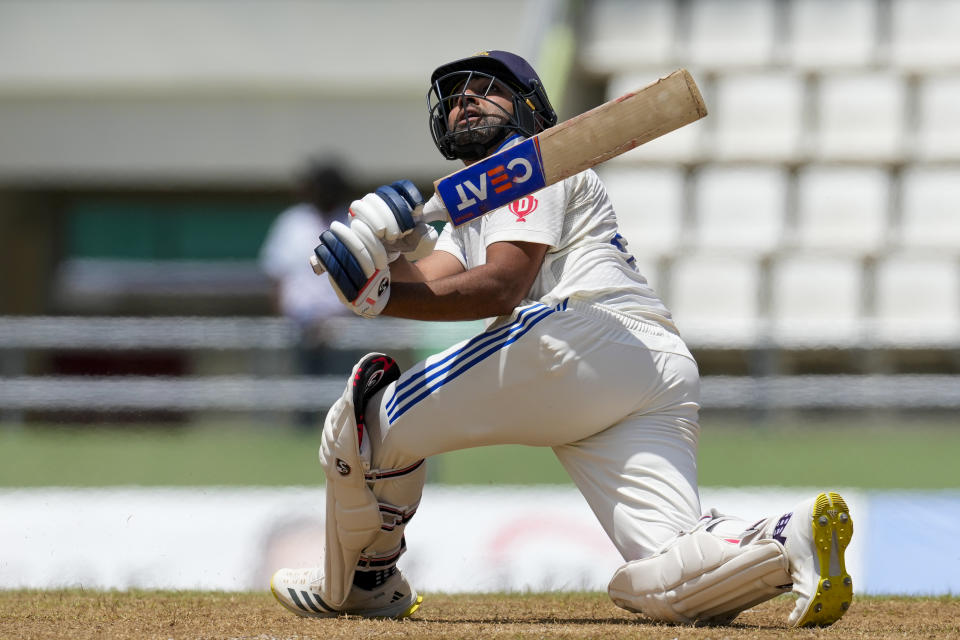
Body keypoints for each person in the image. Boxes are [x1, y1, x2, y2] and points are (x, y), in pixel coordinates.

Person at [269, 51, 854, 627]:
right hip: (650, 368)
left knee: (365, 416)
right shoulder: (471, 214)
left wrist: (380, 296)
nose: (463, 101)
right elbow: (436, 284)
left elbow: (500, 288)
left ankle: (364, 581)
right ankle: (787, 538)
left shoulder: (530, 163)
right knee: (664, 577)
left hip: (584, 336)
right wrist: (375, 263)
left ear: (528, 107)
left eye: (485, 89)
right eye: (452, 98)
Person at [259, 159, 360, 426]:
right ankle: (301, 436)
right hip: (298, 324)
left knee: (342, 393)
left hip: (341, 325)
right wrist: (282, 318)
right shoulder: (292, 222)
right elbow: (276, 274)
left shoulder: (352, 223)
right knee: (300, 391)